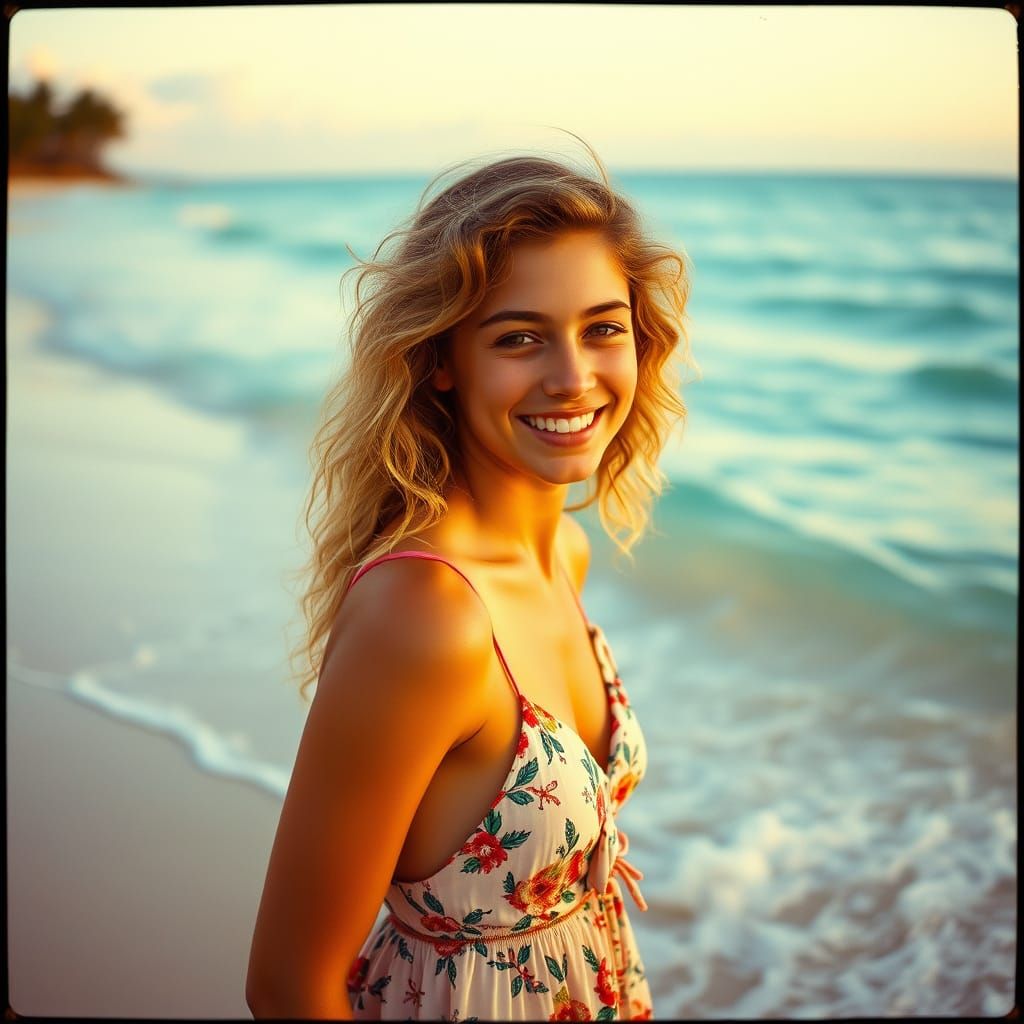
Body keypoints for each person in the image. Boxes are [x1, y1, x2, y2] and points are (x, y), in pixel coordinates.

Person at [246, 141, 692, 1021]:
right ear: (440, 358)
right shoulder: (428, 614)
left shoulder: (564, 553)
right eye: (520, 338)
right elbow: (288, 988)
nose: (574, 377)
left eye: (603, 327)